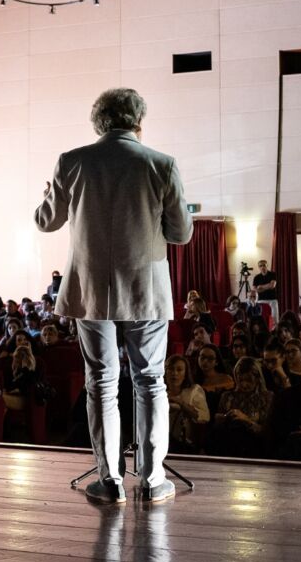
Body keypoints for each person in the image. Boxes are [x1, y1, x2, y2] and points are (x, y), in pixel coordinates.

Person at [34, 87, 193, 504]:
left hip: (90, 292)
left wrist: (47, 192)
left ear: (98, 123)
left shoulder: (72, 162)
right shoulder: (162, 164)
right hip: (144, 290)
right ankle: (153, 479)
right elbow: (181, 233)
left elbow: (46, 222)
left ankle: (109, 481)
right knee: (150, 381)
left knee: (101, 382)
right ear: (139, 121)